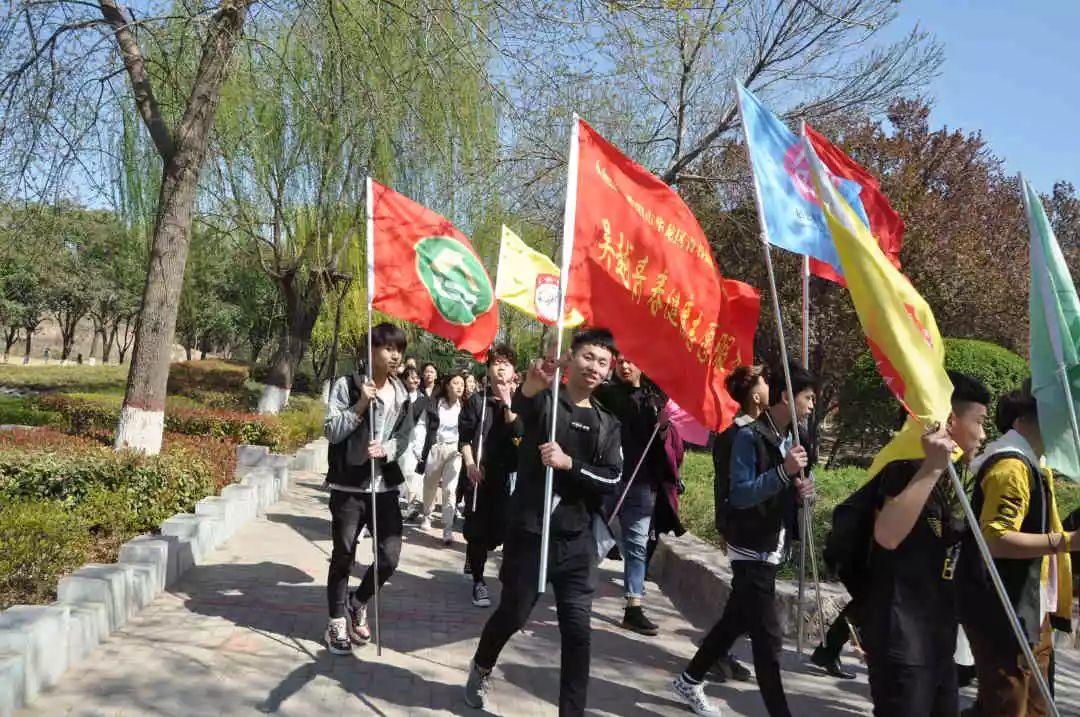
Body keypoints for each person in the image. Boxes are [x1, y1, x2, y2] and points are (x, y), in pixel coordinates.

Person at [464, 329, 623, 715]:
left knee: (577, 632)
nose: (594, 367)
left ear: (608, 370)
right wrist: (533, 385)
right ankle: (481, 666)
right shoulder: (547, 403)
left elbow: (613, 476)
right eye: (588, 357)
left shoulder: (607, 422)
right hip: (532, 531)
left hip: (577, 540)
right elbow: (522, 404)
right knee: (514, 614)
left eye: (603, 362)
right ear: (572, 358)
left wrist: (571, 465)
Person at [672, 362, 816, 717]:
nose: (812, 406)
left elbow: (783, 489)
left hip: (772, 544)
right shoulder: (747, 436)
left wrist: (800, 491)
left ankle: (689, 681)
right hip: (750, 545)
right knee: (768, 639)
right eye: (808, 398)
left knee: (734, 621)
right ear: (786, 396)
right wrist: (784, 473)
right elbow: (739, 494)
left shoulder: (791, 440)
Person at [864, 371, 990, 717]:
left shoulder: (950, 476)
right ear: (951, 420)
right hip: (903, 640)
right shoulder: (905, 467)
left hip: (937, 639)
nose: (983, 433)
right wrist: (932, 468)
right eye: (979, 421)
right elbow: (887, 535)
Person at [960, 381, 1074, 717]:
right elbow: (995, 540)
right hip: (1004, 608)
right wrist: (1069, 541)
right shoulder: (1010, 468)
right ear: (1023, 420)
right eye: (1055, 415)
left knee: (1035, 706)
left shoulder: (1034, 465)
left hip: (1031, 607)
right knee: (1008, 704)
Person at [322, 323, 415, 655]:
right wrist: (361, 404)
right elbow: (332, 430)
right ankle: (335, 622)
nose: (395, 356)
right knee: (343, 556)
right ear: (371, 349)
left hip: (385, 487)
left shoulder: (402, 393)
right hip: (349, 486)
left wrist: (388, 448)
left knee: (389, 557)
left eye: (399, 350)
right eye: (388, 348)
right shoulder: (348, 385)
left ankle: (357, 600)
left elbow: (406, 436)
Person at [597, 356, 671, 636]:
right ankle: (570, 583)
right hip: (608, 479)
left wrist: (663, 427)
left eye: (632, 362)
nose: (625, 367)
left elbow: (664, 449)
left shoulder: (655, 400)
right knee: (594, 535)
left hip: (640, 484)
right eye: (621, 362)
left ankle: (634, 606)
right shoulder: (604, 394)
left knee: (637, 546)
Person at [460, 345, 523, 608]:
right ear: (487, 369)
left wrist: (509, 403)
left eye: (506, 363)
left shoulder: (522, 402)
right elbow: (464, 440)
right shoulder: (477, 401)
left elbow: (520, 435)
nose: (500, 367)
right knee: (478, 531)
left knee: (499, 533)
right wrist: (471, 465)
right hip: (479, 476)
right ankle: (478, 581)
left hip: (507, 478)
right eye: (495, 363)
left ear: (514, 372)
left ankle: (476, 557)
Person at [418, 373, 466, 544]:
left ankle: (447, 527)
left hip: (455, 451)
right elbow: (424, 425)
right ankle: (427, 514)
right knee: (430, 484)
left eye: (462, 383)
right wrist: (421, 448)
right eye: (456, 383)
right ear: (447, 386)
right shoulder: (437, 404)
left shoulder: (465, 406)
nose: (460, 386)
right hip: (436, 447)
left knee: (450, 489)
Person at [397, 366, 428, 517]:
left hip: (412, 442)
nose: (415, 380)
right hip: (396, 440)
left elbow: (422, 425)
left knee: (409, 473)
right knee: (397, 473)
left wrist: (418, 447)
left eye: (417, 377)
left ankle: (410, 505)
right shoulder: (398, 396)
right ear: (404, 379)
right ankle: (396, 504)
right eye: (411, 377)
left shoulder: (422, 400)